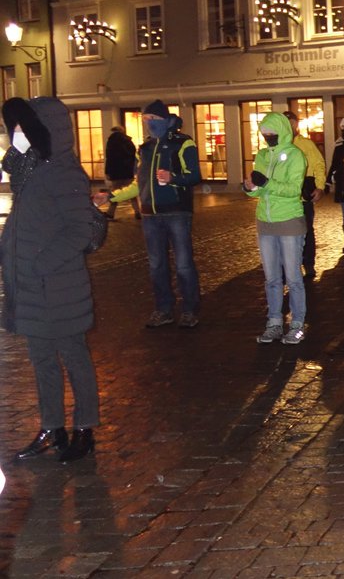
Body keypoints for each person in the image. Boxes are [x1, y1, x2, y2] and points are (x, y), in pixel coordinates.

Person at [3, 97, 101, 464]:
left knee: (74, 356)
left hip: (58, 286)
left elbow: (78, 231)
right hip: (31, 285)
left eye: (22, 127)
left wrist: (42, 264)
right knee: (41, 359)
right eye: (14, 128)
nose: (16, 134)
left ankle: (84, 429)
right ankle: (52, 428)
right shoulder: (29, 170)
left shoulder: (64, 171)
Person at [100, 99, 202, 328]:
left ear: (165, 120)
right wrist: (111, 197)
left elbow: (194, 176)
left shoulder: (183, 143)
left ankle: (189, 309)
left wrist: (173, 178)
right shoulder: (144, 149)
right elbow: (139, 183)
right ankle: (163, 309)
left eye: (153, 119)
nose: (149, 123)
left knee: (184, 264)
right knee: (156, 265)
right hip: (150, 215)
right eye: (146, 119)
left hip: (177, 212)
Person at [245, 112, 309, 344]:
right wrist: (251, 187)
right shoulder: (262, 155)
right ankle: (274, 321)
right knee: (271, 278)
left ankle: (297, 323)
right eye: (264, 134)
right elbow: (260, 191)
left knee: (292, 277)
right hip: (266, 221)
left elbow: (294, 189)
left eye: (271, 133)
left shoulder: (295, 155)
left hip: (290, 221)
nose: (267, 137)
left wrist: (266, 183)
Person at [282, 111, 326, 280]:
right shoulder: (278, 147)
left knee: (306, 230)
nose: (290, 127)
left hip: (303, 197)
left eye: (292, 124)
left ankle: (308, 264)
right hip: (285, 198)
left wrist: (320, 186)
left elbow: (318, 164)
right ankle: (290, 265)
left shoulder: (306, 144)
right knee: (287, 233)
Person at [103, 126, 140, 221]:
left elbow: (109, 158)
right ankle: (137, 211)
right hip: (127, 171)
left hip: (116, 171)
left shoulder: (111, 142)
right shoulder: (128, 141)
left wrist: (107, 171)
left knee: (115, 193)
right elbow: (133, 155)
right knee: (131, 193)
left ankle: (110, 213)